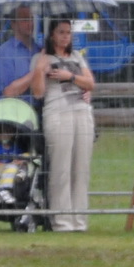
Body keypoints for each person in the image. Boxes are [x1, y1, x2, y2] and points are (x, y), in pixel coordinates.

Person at [28, 17, 95, 230]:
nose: (65, 36)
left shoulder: (76, 56)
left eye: (68, 32)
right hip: (58, 112)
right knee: (61, 168)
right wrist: (39, 70)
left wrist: (70, 76)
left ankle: (79, 219)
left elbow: (90, 82)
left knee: (81, 168)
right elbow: (38, 92)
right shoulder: (42, 58)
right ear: (51, 35)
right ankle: (62, 220)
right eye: (61, 32)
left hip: (82, 112)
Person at [0, 6, 40, 99]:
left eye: (31, 19)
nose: (30, 23)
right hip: (17, 110)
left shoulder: (39, 49)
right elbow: (8, 92)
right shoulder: (5, 53)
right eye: (25, 19)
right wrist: (38, 71)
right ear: (13, 24)